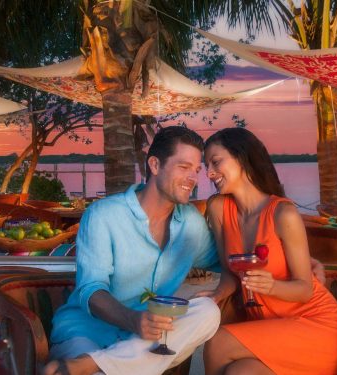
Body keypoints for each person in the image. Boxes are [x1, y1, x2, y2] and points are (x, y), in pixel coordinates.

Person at [44, 126, 221, 375]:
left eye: (196, 170)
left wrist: (231, 209)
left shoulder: (191, 223)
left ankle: (94, 364)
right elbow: (91, 290)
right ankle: (103, 363)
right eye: (183, 167)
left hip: (145, 342)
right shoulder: (103, 215)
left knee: (208, 311)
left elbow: (226, 261)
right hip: (85, 332)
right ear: (155, 165)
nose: (193, 178)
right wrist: (133, 320)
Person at [201, 128, 337, 375]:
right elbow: (230, 275)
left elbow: (304, 289)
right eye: (206, 165)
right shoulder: (219, 209)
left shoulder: (283, 214)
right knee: (239, 372)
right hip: (271, 328)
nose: (209, 173)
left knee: (218, 342)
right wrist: (216, 295)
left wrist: (271, 287)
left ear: (242, 157)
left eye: (216, 162)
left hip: (316, 328)